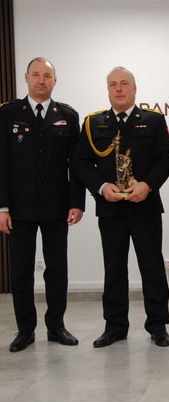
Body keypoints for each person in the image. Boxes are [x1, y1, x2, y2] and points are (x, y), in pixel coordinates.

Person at [76, 66, 169, 347]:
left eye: (124, 83)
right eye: (113, 84)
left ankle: (158, 326)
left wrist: (148, 185)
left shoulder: (154, 120)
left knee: (152, 266)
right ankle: (115, 326)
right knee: (114, 268)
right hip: (111, 207)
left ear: (134, 88)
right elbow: (81, 162)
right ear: (108, 90)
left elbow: (166, 158)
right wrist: (101, 187)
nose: (118, 89)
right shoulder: (93, 123)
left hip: (145, 206)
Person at [0, 57, 85, 352]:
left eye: (47, 75)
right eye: (35, 75)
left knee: (57, 269)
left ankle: (56, 326)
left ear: (55, 80)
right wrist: (2, 207)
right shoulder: (8, 113)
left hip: (56, 206)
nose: (41, 80)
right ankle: (25, 330)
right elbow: (2, 163)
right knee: (21, 271)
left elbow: (76, 164)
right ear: (26, 77)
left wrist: (77, 203)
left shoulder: (68, 115)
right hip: (19, 207)